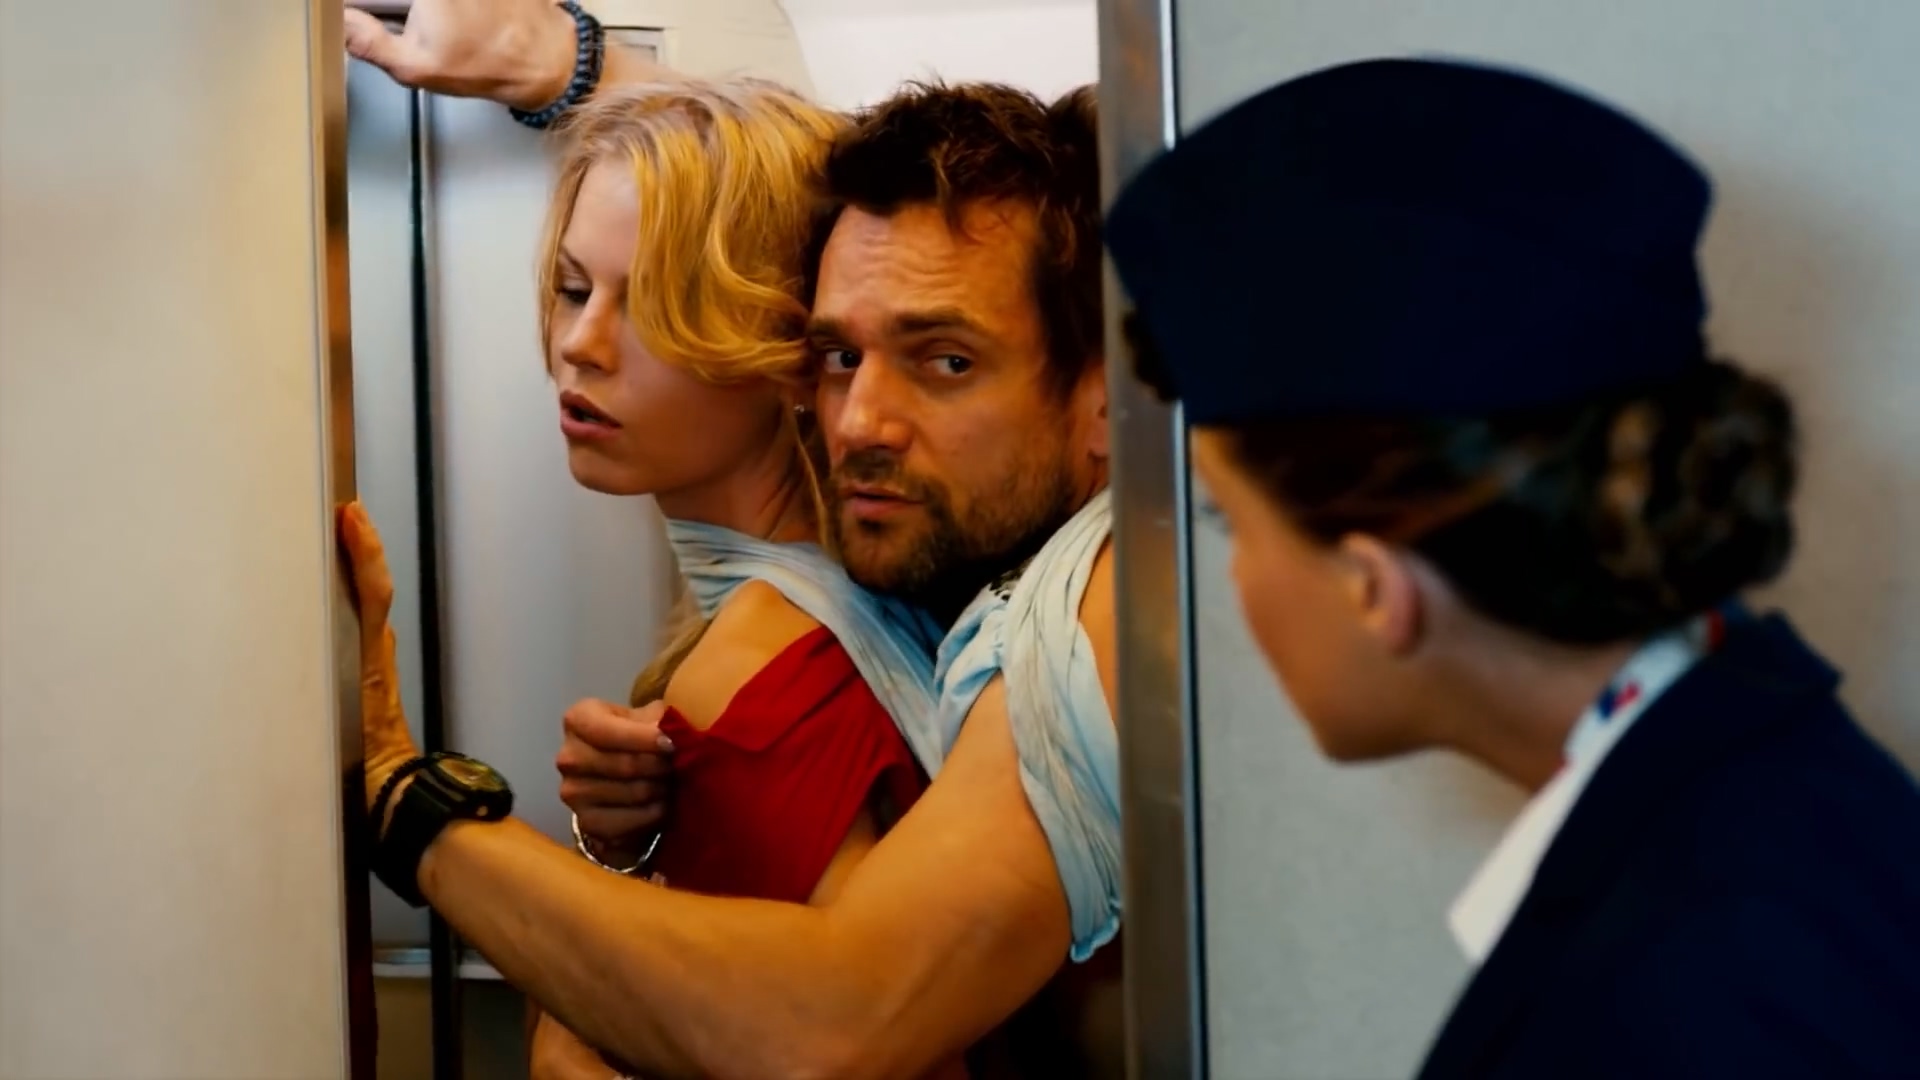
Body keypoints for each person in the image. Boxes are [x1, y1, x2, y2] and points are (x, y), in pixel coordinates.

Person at [339, 1, 1124, 1077]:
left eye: (947, 362)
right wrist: (631, 853)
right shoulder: (922, 582)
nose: (579, 345)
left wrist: (397, 789)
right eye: (571, 288)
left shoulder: (816, 665)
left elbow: (832, 1022)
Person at [1106, 56, 1920, 1078]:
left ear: (1372, 586)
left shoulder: (1671, 1003)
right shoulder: (1776, 780)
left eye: (1232, 521)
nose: (1235, 581)